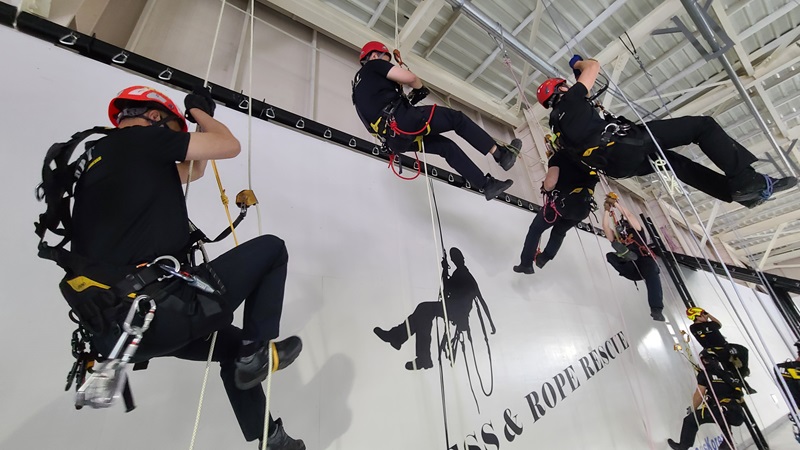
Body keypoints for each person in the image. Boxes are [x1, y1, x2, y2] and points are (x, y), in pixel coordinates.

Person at [61, 86, 304, 449]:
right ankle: (256, 353)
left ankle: (272, 439)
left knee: (234, 352)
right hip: (164, 310)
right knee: (272, 249)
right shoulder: (143, 140)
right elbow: (229, 146)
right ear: (156, 119)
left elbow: (194, 171)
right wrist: (200, 113)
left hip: (124, 331)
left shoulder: (105, 158)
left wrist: (193, 124)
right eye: (176, 131)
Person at [537, 55, 796, 208]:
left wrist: (578, 78)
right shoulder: (571, 100)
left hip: (620, 166)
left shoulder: (558, 126)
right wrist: (579, 62)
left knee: (676, 164)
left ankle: (741, 195)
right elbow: (593, 67)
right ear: (560, 90)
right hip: (626, 143)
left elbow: (586, 105)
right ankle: (744, 178)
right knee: (701, 126)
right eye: (566, 85)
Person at [352, 41, 521, 200]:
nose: (388, 64)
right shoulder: (374, 65)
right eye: (386, 60)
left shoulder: (357, 91)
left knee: (446, 148)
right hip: (402, 121)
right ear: (374, 56)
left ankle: (486, 185)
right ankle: (501, 155)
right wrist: (419, 88)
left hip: (394, 141)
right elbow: (410, 78)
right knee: (456, 119)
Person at [373, 247, 496, 370]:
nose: (455, 260)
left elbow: (480, 299)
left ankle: (407, 344)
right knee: (423, 312)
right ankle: (405, 342)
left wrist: (491, 323)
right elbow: (448, 289)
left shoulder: (465, 275)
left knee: (424, 310)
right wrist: (444, 270)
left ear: (461, 258)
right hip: (453, 308)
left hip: (457, 311)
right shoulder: (459, 274)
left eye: (455, 257)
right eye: (454, 258)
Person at [513, 143, 599, 274]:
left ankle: (526, 264)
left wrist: (546, 187)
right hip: (582, 210)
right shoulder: (590, 163)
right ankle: (544, 258)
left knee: (535, 229)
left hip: (562, 205)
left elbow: (550, 183)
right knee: (559, 233)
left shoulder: (559, 157)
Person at [667, 349, 746, 450]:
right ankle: (727, 442)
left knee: (691, 420)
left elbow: (699, 395)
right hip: (737, 414)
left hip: (721, 411)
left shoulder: (705, 375)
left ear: (704, 361)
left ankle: (683, 446)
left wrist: (693, 408)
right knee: (722, 415)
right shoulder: (728, 374)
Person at [601, 195, 664, 321]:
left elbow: (629, 215)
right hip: (631, 268)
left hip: (644, 262)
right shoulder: (617, 239)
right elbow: (606, 227)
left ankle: (656, 310)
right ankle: (626, 255)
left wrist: (616, 204)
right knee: (610, 255)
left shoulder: (638, 231)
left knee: (652, 275)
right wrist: (607, 211)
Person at [687, 307, 750, 378]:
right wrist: (708, 318)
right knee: (734, 356)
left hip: (725, 346)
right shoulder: (695, 327)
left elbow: (718, 324)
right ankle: (738, 373)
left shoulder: (708, 324)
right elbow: (717, 325)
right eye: (703, 314)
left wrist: (708, 315)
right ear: (697, 317)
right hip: (715, 349)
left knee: (743, 350)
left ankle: (742, 371)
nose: (706, 316)